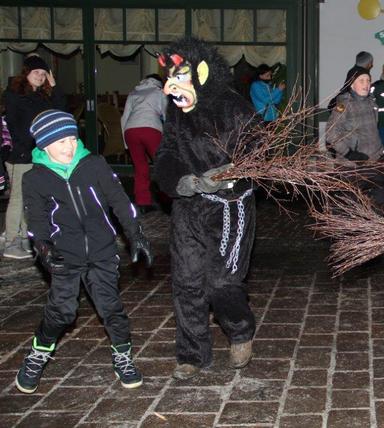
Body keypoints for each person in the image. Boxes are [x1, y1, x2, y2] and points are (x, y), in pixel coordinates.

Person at [16, 109, 152, 394]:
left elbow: (119, 201)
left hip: (102, 251)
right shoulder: (35, 179)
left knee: (111, 308)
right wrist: (44, 249)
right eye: (61, 141)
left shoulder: (94, 164)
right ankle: (38, 353)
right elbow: (37, 221)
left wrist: (135, 234)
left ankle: (123, 357)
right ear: (44, 145)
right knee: (62, 312)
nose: (70, 146)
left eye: (72, 138)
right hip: (64, 255)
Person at [154, 37, 258, 380]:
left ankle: (240, 330)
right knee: (186, 281)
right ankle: (192, 354)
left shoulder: (234, 107)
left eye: (179, 76)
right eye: (169, 78)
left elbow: (260, 153)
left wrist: (229, 172)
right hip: (189, 206)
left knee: (221, 282)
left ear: (200, 72)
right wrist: (181, 182)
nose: (171, 87)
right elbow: (167, 152)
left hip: (229, 207)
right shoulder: (176, 110)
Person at [2, 55, 65, 260]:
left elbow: (60, 113)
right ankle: (11, 241)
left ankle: (23, 238)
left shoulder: (42, 96)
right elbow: (15, 125)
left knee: (30, 198)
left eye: (44, 74)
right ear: (26, 73)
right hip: (20, 154)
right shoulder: (14, 94)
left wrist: (54, 87)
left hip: (37, 154)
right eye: (36, 72)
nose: (40, 76)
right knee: (18, 198)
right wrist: (25, 148)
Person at [326, 66, 384, 211]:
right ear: (352, 84)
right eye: (361, 81)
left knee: (380, 203)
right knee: (350, 206)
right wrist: (349, 153)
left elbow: (372, 131)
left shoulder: (372, 102)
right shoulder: (344, 105)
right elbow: (330, 134)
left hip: (375, 163)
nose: (366, 84)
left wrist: (381, 154)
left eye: (368, 80)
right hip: (352, 167)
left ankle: (375, 223)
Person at [121, 74, 168, 212]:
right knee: (161, 165)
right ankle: (166, 200)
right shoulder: (159, 92)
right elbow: (166, 114)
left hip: (131, 130)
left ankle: (142, 202)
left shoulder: (134, 93)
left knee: (140, 167)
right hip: (151, 128)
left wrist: (126, 143)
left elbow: (124, 117)